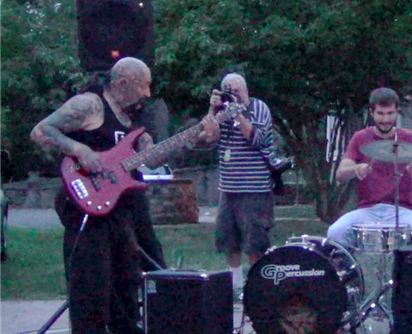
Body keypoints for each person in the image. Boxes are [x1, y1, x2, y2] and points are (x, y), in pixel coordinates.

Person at [30, 57, 212, 334]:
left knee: (127, 288)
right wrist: (80, 150)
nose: (147, 94)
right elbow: (41, 131)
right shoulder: (90, 104)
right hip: (88, 212)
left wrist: (193, 136)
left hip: (122, 214)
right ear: (122, 82)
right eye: (143, 86)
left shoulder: (133, 119)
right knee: (90, 294)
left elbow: (150, 159)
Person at [326, 87, 412, 248]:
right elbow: (340, 174)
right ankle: (349, 271)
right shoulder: (360, 138)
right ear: (372, 112)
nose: (386, 119)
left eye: (390, 113)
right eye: (381, 113)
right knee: (335, 232)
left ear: (397, 112)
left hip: (402, 210)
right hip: (367, 209)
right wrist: (355, 170)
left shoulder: (411, 139)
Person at [202, 73, 276, 292]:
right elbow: (210, 137)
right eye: (228, 91)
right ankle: (235, 286)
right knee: (228, 240)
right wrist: (212, 110)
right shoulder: (222, 112)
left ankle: (256, 287)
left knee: (255, 242)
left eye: (237, 91)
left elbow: (257, 138)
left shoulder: (258, 108)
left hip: (255, 188)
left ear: (246, 91)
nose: (233, 96)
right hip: (228, 188)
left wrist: (237, 113)